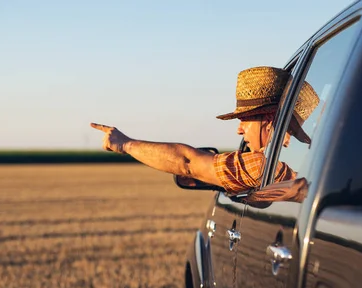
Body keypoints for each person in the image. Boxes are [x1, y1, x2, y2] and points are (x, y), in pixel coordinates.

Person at [90, 66, 319, 194]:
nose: (240, 130)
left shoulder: (260, 165)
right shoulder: (309, 166)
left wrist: (125, 144)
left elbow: (186, 163)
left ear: (269, 120)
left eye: (245, 120)